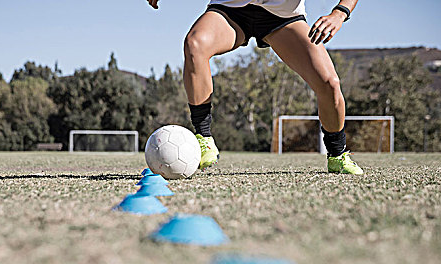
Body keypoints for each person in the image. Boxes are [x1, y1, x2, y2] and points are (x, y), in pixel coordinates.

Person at [147, 0, 364, 174]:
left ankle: (337, 155)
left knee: (329, 84)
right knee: (195, 44)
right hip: (229, 11)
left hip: (283, 18)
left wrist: (339, 13)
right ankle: (204, 138)